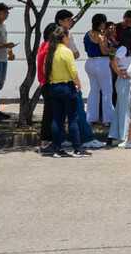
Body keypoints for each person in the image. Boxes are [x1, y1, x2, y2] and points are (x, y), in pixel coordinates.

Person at [43, 26, 91, 157]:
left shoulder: (51, 51)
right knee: (72, 118)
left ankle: (57, 148)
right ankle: (77, 148)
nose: (69, 38)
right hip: (67, 87)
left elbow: (45, 70)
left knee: (57, 119)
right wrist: (78, 84)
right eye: (68, 36)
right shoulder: (66, 51)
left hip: (54, 87)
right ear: (63, 37)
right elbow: (73, 71)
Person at [83, 14, 114, 127]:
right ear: (101, 23)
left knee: (94, 91)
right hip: (102, 63)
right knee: (107, 91)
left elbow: (87, 49)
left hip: (90, 62)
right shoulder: (101, 36)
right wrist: (112, 50)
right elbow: (104, 51)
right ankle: (108, 119)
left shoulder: (87, 34)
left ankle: (91, 117)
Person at [108, 27, 131, 145]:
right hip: (124, 80)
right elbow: (113, 60)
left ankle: (115, 135)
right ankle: (124, 137)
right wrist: (119, 72)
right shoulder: (124, 48)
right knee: (125, 110)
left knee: (120, 108)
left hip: (125, 80)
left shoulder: (126, 49)